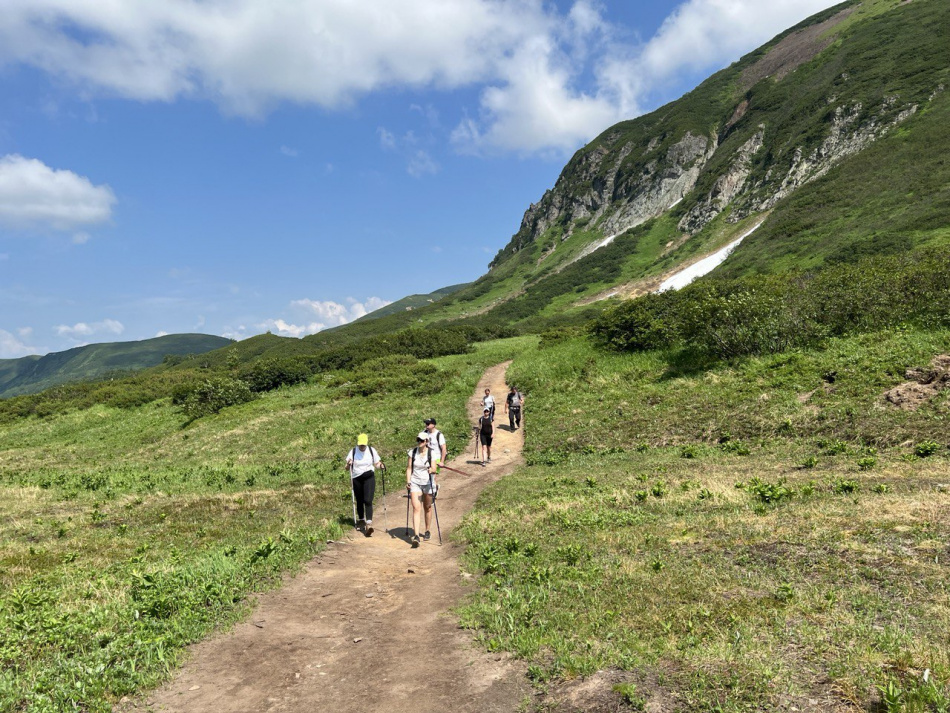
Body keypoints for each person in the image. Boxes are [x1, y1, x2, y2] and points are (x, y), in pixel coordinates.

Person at [344, 433, 383, 536]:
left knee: (368, 500)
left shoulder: (371, 450)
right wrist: (348, 464)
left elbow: (377, 463)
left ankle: (369, 523)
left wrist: (381, 465)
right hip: (356, 478)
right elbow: (346, 468)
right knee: (359, 500)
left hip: (369, 477)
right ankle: (361, 519)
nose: (362, 446)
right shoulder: (353, 452)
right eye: (360, 445)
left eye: (363, 445)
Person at [406, 432, 438, 547]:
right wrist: (408, 481)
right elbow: (409, 468)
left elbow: (434, 468)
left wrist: (432, 470)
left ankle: (427, 529)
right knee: (416, 508)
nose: (419, 442)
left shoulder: (431, 453)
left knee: (427, 507)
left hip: (428, 482)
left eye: (422, 440)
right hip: (415, 482)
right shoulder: (413, 452)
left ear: (426, 442)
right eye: (418, 440)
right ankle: (416, 536)